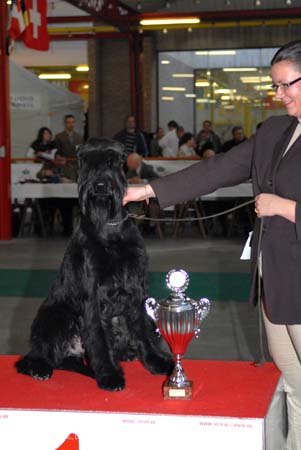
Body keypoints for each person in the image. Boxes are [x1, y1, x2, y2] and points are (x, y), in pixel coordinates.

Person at [124, 40, 301, 449]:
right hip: (276, 282)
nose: (278, 95)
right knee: (292, 386)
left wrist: (285, 207)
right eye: (274, 86)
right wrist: (147, 190)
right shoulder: (275, 131)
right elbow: (218, 169)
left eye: (285, 85)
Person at [36, 152, 78, 236]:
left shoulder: (70, 168)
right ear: (54, 160)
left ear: (65, 160)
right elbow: (38, 175)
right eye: (57, 160)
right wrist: (44, 173)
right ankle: (43, 228)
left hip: (66, 197)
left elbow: (74, 180)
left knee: (66, 206)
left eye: (61, 160)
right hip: (50, 196)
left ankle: (67, 229)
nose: (59, 162)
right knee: (41, 203)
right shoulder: (48, 165)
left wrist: (68, 181)